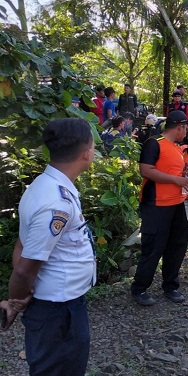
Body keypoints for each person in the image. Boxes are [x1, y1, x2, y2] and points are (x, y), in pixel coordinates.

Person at [0, 118, 96, 375]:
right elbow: (23, 270)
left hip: (58, 305)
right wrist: (17, 300)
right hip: (58, 311)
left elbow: (22, 244)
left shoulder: (44, 186)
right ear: (86, 153)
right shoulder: (57, 202)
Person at [130, 110, 188, 306]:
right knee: (153, 247)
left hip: (176, 204)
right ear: (180, 127)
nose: (187, 131)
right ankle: (139, 288)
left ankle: (171, 285)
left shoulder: (176, 148)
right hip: (156, 205)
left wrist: (185, 172)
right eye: (186, 128)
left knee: (177, 245)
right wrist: (177, 179)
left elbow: (171, 172)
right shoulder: (154, 143)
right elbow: (146, 170)